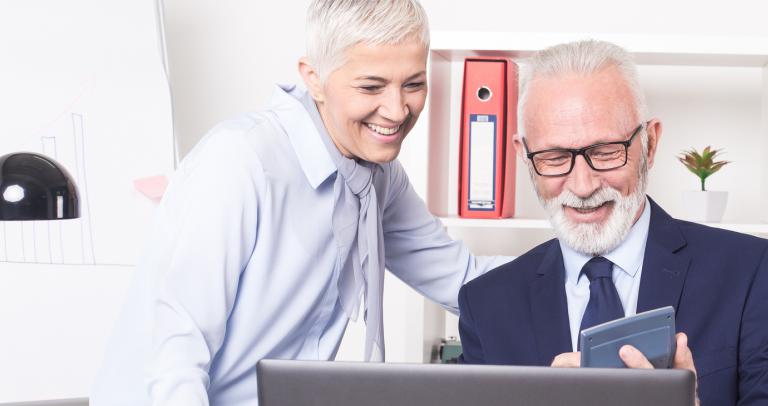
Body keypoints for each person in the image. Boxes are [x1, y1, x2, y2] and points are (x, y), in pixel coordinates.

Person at [91, 1, 507, 405]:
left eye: (413, 84)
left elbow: (465, 281)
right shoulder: (242, 160)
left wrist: (570, 266)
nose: (398, 110)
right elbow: (177, 348)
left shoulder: (378, 176)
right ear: (313, 78)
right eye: (371, 86)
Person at [457, 39, 768, 405]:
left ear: (650, 142)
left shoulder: (749, 272)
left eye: (606, 152)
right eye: (554, 158)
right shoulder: (486, 304)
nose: (582, 186)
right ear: (524, 155)